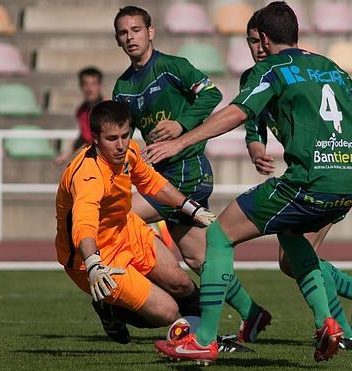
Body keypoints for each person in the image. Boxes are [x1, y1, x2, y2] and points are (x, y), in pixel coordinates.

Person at [149, 2, 352, 363]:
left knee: (219, 235)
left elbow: (239, 112)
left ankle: (204, 340)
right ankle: (328, 322)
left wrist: (181, 140)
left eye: (259, 40)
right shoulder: (329, 67)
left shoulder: (272, 69)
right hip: (346, 183)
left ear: (267, 38)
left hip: (309, 180)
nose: (256, 47)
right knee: (291, 237)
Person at [111, 5, 270, 344]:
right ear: (118, 40)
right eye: (124, 33)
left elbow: (212, 94)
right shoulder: (123, 86)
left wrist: (182, 124)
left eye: (136, 30)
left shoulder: (172, 67)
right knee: (199, 258)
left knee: (120, 215)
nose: (131, 37)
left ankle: (119, 297)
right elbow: (119, 131)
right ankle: (252, 311)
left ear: (150, 32)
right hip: (162, 173)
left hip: (187, 171)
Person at [242, 11, 352, 350]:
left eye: (259, 39)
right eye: (251, 41)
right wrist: (255, 149)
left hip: (325, 173)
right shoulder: (256, 77)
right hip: (307, 174)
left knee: (298, 258)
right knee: (291, 260)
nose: (258, 47)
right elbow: (253, 125)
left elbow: (343, 115)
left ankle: (345, 323)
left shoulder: (304, 71)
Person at [55, 100, 216, 344]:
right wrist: (93, 264)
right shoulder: (88, 175)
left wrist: (190, 208)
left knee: (181, 282)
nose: (120, 145)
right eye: (112, 139)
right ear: (95, 138)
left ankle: (208, 339)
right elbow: (84, 224)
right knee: (167, 312)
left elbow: (151, 181)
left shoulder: (128, 151)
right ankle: (109, 308)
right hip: (94, 256)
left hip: (126, 229)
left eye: (125, 135)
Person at [54, 67, 104, 166]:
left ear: (100, 86)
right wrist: (65, 155)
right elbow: (84, 136)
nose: (89, 89)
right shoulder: (81, 111)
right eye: (85, 84)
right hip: (92, 161)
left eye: (93, 84)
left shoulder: (109, 109)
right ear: (80, 86)